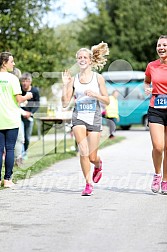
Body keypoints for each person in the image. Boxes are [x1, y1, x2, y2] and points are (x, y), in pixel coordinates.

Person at [61, 42, 110, 196]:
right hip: (78, 117)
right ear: (77, 60)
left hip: (94, 117)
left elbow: (107, 101)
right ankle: (88, 184)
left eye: (84, 57)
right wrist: (65, 85)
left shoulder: (98, 78)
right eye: (79, 57)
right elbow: (64, 103)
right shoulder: (73, 79)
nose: (82, 59)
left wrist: (96, 95)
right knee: (83, 151)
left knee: (92, 156)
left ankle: (98, 164)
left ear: (90, 60)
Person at [0, 52, 32, 188]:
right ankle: (7, 180)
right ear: (4, 63)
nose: (13, 64)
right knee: (10, 149)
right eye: (11, 61)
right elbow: (19, 99)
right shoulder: (12, 79)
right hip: (11, 119)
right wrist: (28, 96)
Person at [144, 35, 167, 194]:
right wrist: (147, 88)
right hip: (156, 109)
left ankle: (166, 180)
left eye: (164, 45)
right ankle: (157, 174)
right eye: (159, 45)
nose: (161, 48)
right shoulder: (151, 66)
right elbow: (146, 81)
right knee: (158, 147)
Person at [20, 72, 40, 159]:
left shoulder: (35, 91)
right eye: (23, 81)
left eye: (27, 81)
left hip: (29, 117)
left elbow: (37, 104)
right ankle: (20, 154)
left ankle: (25, 153)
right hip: (19, 117)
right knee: (20, 136)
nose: (25, 83)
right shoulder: (19, 90)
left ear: (30, 82)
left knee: (27, 137)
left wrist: (31, 113)